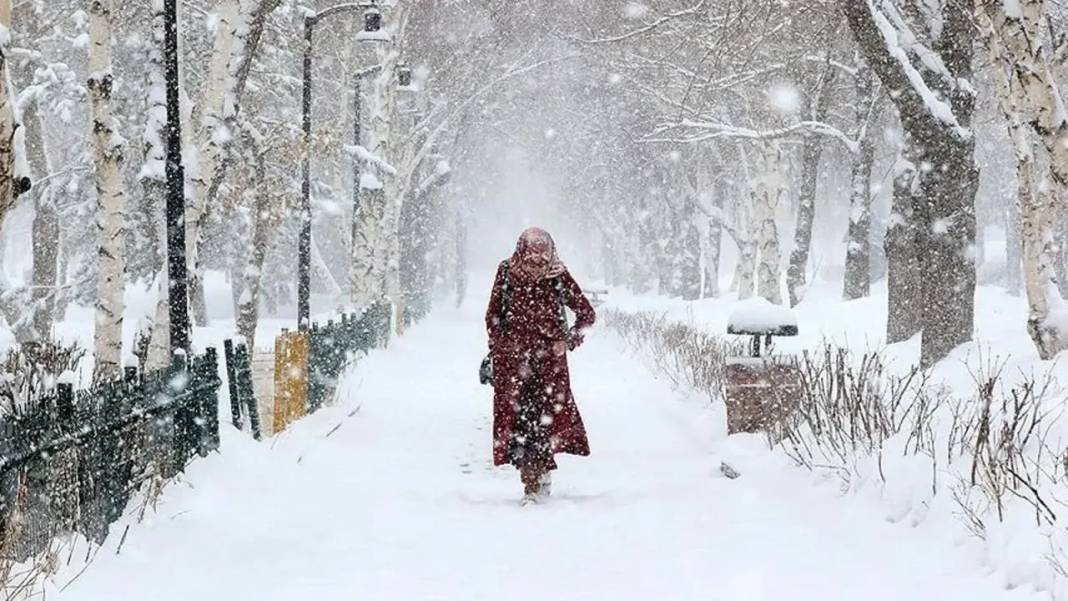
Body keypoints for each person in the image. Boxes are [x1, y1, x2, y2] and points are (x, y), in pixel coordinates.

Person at [485, 227, 596, 504]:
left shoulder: (558, 275)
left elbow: (586, 314)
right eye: (530, 253)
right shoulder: (507, 272)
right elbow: (493, 315)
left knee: (543, 421)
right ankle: (530, 481)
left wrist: (568, 341)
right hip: (514, 366)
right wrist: (502, 345)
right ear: (521, 250)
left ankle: (540, 476)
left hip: (549, 367)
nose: (536, 260)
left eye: (541, 253)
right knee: (520, 423)